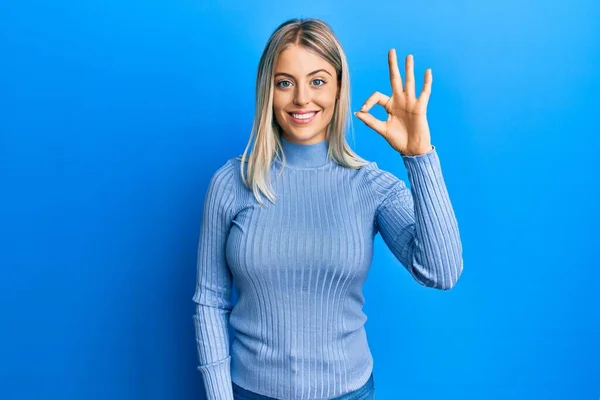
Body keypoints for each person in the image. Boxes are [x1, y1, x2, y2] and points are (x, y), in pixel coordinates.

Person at [192, 17, 463, 400]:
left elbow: (441, 271)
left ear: (338, 88)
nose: (302, 98)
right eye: (285, 83)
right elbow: (210, 301)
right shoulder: (232, 183)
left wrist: (419, 155)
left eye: (317, 81)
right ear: (267, 92)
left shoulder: (371, 185)